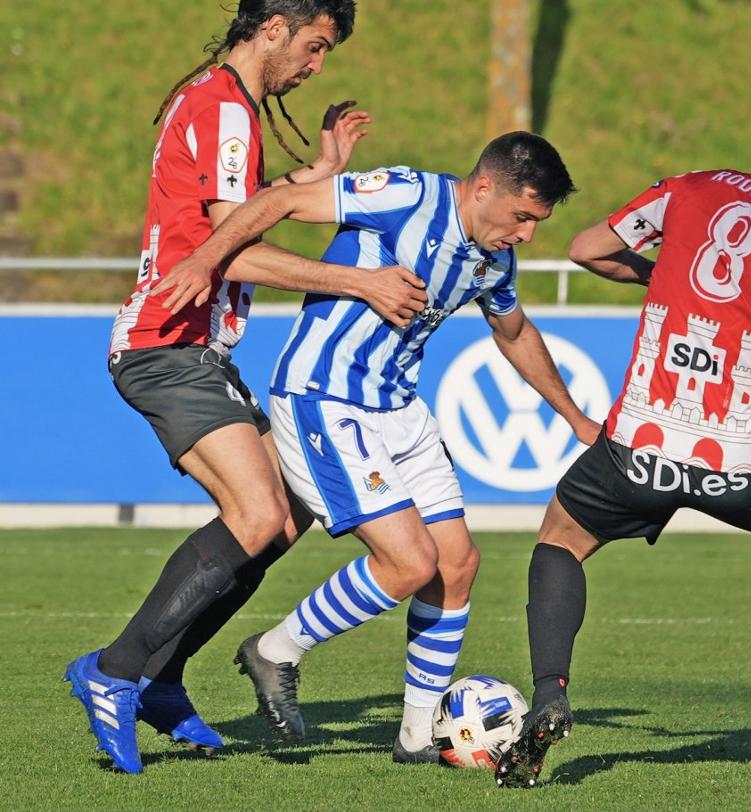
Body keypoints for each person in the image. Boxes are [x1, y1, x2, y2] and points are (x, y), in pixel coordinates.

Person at [493, 81, 751, 789]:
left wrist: (668, 277)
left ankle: (550, 695)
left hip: (641, 446)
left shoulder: (691, 188)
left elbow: (587, 248)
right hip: (747, 462)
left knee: (561, 539)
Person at [64, 0, 428, 775]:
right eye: (315, 45)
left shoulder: (223, 104)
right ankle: (116, 670)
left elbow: (231, 218)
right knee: (258, 511)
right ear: (273, 28)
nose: (316, 65)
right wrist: (358, 281)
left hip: (197, 349)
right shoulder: (225, 107)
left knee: (284, 518)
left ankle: (160, 677)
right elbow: (226, 250)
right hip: (168, 344)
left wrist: (315, 177)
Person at [163, 131, 601, 762]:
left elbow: (514, 332)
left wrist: (576, 418)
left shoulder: (492, 261)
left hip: (400, 411)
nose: (527, 234)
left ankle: (416, 735)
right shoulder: (406, 193)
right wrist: (209, 257)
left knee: (456, 566)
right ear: (484, 188)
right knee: (407, 563)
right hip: (326, 398)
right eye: (523, 216)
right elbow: (282, 204)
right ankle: (274, 650)